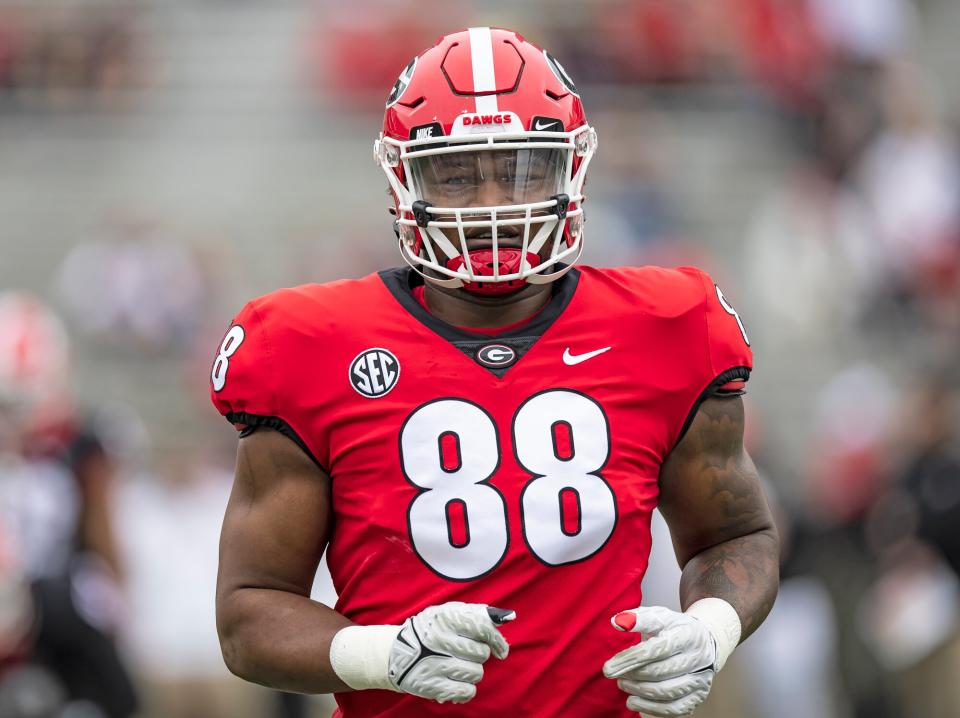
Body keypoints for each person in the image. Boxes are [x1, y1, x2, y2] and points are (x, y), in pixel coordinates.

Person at [212, 27, 779, 717]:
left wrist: (709, 631)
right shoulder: (311, 346)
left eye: (520, 168)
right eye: (456, 174)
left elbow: (737, 535)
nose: (490, 204)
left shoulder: (667, 324)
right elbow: (248, 613)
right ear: (403, 178)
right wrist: (381, 654)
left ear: (570, 167)